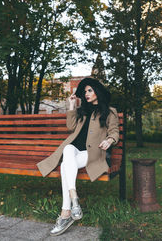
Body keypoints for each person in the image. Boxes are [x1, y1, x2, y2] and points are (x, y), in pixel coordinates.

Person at [36, 77, 120, 236]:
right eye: (85, 92)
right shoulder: (83, 111)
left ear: (97, 91)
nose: (86, 94)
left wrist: (109, 140)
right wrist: (72, 106)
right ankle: (73, 196)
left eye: (90, 90)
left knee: (64, 167)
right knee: (67, 148)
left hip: (94, 153)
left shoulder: (109, 112)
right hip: (76, 151)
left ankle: (66, 213)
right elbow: (71, 127)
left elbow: (114, 131)